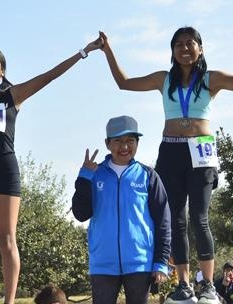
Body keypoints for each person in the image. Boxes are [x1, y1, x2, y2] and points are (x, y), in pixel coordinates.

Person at [99, 26, 233, 304]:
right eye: (178, 44)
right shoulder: (164, 79)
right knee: (175, 219)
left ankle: (207, 284)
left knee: (200, 217)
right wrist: (107, 49)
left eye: (190, 43)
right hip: (170, 149)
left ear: (200, 48)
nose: (184, 48)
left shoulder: (211, 79)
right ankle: (184, 284)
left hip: (201, 151)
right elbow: (123, 82)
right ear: (172, 51)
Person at [0, 37, 102, 304]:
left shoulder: (11, 96)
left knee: (7, 239)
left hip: (5, 172)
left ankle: (9, 301)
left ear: (2, 70)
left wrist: (83, 52)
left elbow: (48, 76)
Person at [71, 115, 171, 304]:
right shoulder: (94, 173)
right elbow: (80, 214)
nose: (124, 147)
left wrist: (160, 261)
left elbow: (163, 222)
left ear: (137, 143)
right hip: (102, 264)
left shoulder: (148, 175)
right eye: (118, 141)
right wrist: (83, 179)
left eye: (130, 141)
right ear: (107, 143)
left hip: (140, 263)